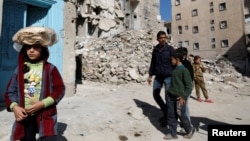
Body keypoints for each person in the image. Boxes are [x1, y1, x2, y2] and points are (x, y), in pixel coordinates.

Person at [4, 26, 65, 141]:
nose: (31, 50)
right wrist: (15, 107)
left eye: (36, 47)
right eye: (28, 47)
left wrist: (42, 103)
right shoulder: (20, 69)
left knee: (49, 137)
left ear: (43, 49)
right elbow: (10, 91)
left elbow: (59, 89)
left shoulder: (50, 69)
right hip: (26, 115)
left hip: (46, 113)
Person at [164, 51, 195, 140]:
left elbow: (189, 86)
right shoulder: (174, 69)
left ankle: (189, 130)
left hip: (179, 98)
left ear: (177, 59)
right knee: (171, 115)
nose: (171, 61)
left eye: (172, 60)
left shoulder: (184, 70)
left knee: (182, 115)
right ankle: (173, 134)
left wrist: (184, 96)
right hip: (171, 96)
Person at [147, 31, 174, 127]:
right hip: (158, 76)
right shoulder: (155, 50)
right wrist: (150, 75)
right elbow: (153, 63)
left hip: (168, 76)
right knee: (155, 94)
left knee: (168, 98)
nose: (163, 39)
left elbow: (175, 62)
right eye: (161, 38)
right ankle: (165, 111)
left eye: (164, 37)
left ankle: (169, 118)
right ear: (157, 39)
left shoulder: (170, 49)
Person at [175, 47, 194, 133]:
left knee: (184, 107)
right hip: (183, 87)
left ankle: (188, 127)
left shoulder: (185, 64)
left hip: (185, 88)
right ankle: (185, 124)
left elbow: (188, 80)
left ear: (184, 56)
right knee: (183, 107)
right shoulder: (183, 63)